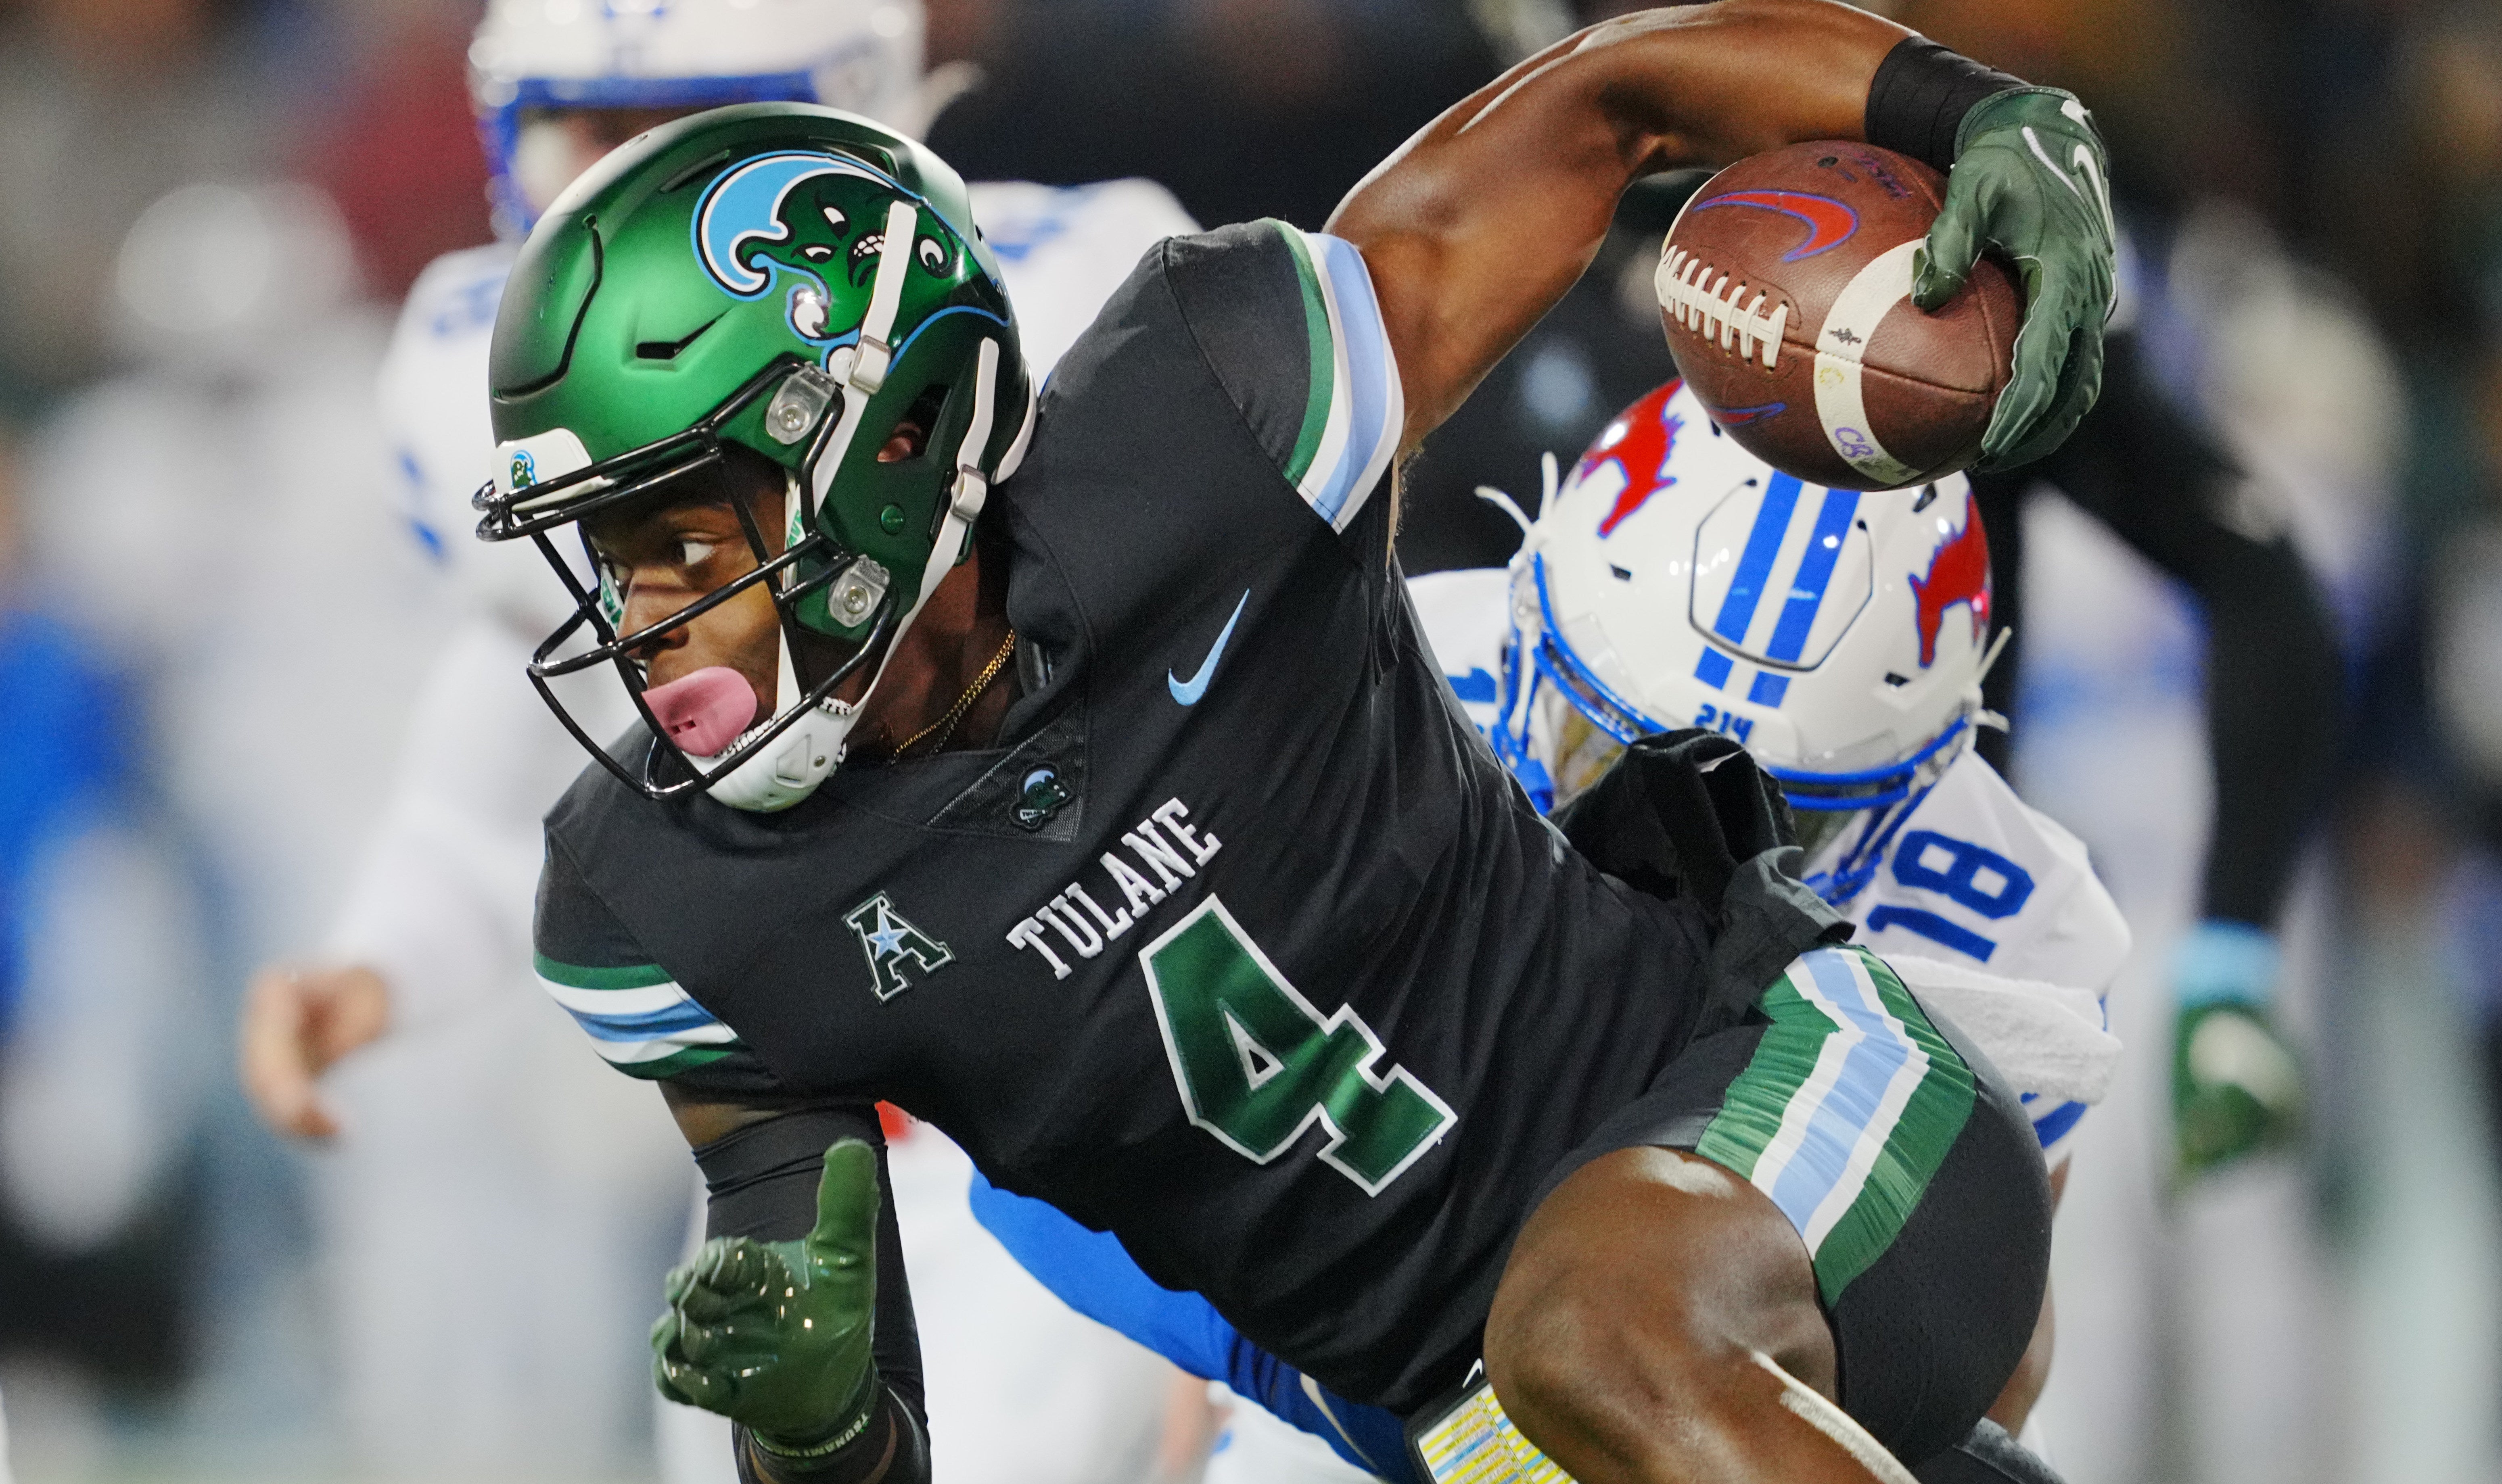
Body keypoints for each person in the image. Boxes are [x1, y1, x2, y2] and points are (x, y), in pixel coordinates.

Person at [476, 7, 2117, 1482]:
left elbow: (1608, 103)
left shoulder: (1209, 416)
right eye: (606, 556)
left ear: (899, 436)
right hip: (1485, 1430)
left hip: (1797, 1124)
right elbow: (860, 1436)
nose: (641, 618)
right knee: (1563, 1372)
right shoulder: (669, 899)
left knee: (1589, 1331)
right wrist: (813, 1416)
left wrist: (1961, 112)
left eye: (684, 537)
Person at [233, 1, 1200, 1478]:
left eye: (678, 141)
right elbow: (523, 743)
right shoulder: (492, 379)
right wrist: (389, 952)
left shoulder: (1073, 297)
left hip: (1162, 1035)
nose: (616, 196)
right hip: (873, 1117)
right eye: (586, 135)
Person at [969, 380, 2128, 1480]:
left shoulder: (2015, 921)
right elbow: (1082, 1147)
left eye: (1775, 809)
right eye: (1603, 745)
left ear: (1924, 776)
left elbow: (1974, 1352)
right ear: (1526, 627)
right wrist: (1303, 1375)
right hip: (1360, 1349)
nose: (1677, 844)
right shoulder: (1372, 694)